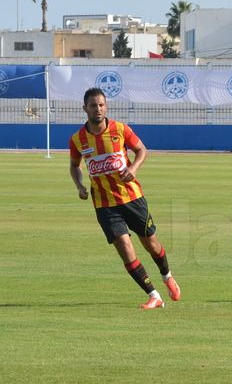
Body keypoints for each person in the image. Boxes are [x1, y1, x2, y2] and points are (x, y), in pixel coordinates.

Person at [68, 88, 181, 309]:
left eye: (101, 105)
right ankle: (154, 295)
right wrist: (79, 185)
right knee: (124, 247)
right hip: (104, 204)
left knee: (151, 244)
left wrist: (134, 168)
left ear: (106, 107)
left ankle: (167, 275)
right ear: (85, 109)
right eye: (93, 105)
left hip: (132, 197)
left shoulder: (120, 130)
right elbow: (74, 166)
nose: (98, 109)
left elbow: (141, 150)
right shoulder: (77, 140)